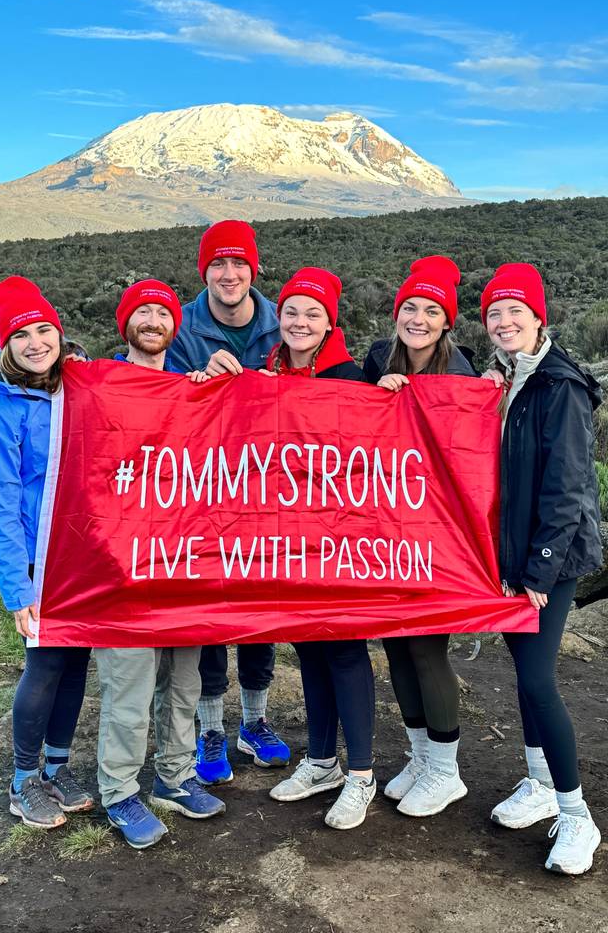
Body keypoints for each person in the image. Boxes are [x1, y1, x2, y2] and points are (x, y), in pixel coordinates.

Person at [480, 263, 602, 875]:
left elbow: (566, 488)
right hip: (512, 557)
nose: (504, 322)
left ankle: (578, 815)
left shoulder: (560, 385)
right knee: (524, 673)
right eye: (494, 314)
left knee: (536, 681)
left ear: (538, 318)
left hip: (547, 560)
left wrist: (538, 571)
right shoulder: (505, 380)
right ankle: (538, 782)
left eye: (514, 312)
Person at [95, 279, 225, 850]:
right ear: (127, 324)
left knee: (184, 679)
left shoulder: (191, 387)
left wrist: (218, 388)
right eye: (142, 313)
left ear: (177, 325)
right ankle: (119, 789)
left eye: (162, 313)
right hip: (123, 567)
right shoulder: (99, 386)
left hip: (184, 560)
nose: (152, 321)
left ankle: (174, 777)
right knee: (129, 681)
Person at [0, 275, 94, 829]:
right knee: (44, 665)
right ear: (5, 345)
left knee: (74, 664)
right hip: (39, 561)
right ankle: (23, 780)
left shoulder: (74, 385)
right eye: (22, 335)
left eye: (45, 330)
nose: (36, 342)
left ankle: (57, 770)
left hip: (84, 556)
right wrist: (19, 588)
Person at [166, 220, 289, 784]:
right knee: (213, 609)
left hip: (268, 489)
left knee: (262, 606)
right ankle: (210, 728)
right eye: (218, 264)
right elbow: (146, 387)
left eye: (238, 263)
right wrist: (192, 380)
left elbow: (322, 380)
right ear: (205, 272)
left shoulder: (281, 322)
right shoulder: (180, 326)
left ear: (254, 270)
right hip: (204, 492)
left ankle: (255, 721)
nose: (229, 274)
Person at [264, 267, 376, 831]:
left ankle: (360, 775)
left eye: (312, 313)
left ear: (330, 321)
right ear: (278, 319)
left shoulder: (352, 376)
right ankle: (321, 760)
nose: (300, 322)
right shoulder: (264, 374)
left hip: (341, 540)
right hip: (287, 539)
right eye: (291, 312)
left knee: (346, 649)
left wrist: (397, 397)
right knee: (308, 647)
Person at [363, 256, 475, 817]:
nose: (420, 318)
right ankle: (421, 756)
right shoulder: (377, 359)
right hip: (387, 530)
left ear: (447, 322)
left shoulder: (464, 372)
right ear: (397, 312)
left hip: (439, 535)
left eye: (433, 310)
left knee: (428, 647)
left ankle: (447, 770)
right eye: (410, 307)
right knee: (397, 645)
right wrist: (376, 395)